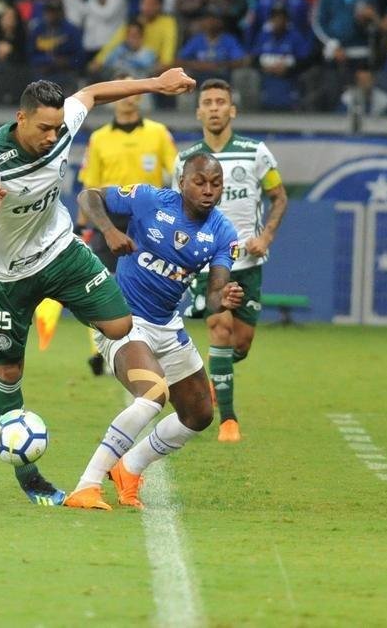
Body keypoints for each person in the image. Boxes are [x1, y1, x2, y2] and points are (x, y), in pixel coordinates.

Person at [0, 68, 197, 507]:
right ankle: (28, 474)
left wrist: (155, 83)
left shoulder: (63, 122)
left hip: (59, 251)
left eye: (57, 128)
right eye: (43, 129)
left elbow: (92, 93)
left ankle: (147, 387)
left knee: (119, 323)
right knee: (7, 373)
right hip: (7, 274)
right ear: (21, 118)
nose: (53, 137)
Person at [75, 155, 243, 508]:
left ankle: (129, 468)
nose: (208, 190)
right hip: (123, 319)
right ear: (182, 182)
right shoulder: (149, 199)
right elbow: (87, 197)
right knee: (153, 394)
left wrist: (224, 298)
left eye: (216, 183)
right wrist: (109, 230)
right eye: (200, 182)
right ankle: (86, 485)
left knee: (199, 415)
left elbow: (213, 297)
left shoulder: (222, 232)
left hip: (168, 326)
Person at [177, 79, 288, 442]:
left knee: (239, 342)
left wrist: (265, 237)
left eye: (220, 102)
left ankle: (216, 377)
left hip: (248, 263)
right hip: (208, 263)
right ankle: (228, 419)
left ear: (232, 110)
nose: (213, 107)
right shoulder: (185, 160)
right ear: (198, 112)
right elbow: (177, 209)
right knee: (219, 327)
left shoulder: (255, 153)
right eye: (206, 102)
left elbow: (279, 197)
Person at [55, 91, 177, 375]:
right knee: (100, 282)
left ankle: (150, 344)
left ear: (140, 98)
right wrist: (82, 225)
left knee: (150, 282)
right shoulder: (99, 138)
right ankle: (100, 350)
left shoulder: (158, 134)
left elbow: (177, 170)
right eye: (124, 92)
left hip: (147, 221)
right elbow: (90, 184)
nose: (128, 98)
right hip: (107, 220)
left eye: (135, 92)